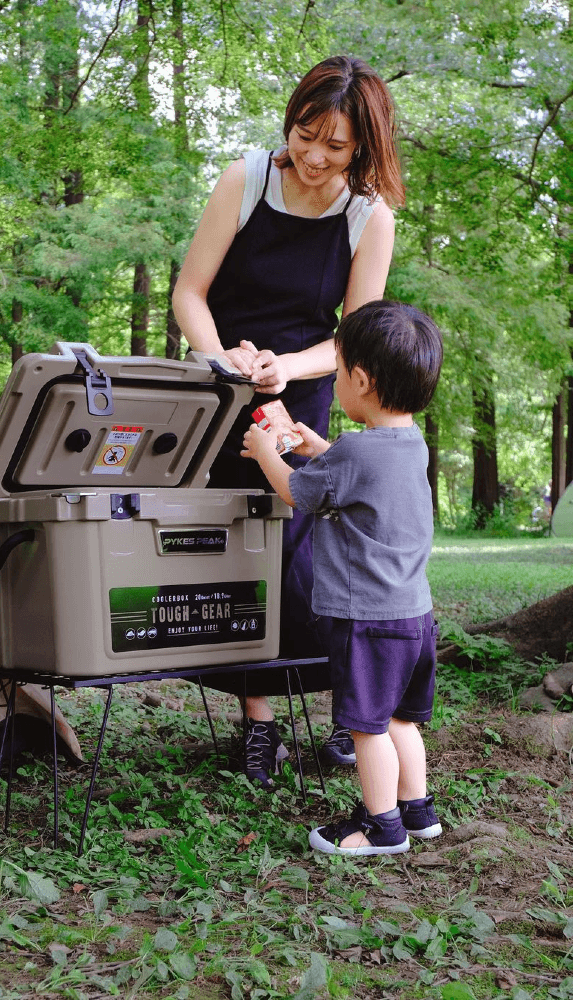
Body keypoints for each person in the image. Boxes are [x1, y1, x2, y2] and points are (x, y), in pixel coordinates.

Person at [172, 55, 405, 788]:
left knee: (309, 561)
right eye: (307, 134)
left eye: (335, 147)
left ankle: (347, 715)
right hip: (220, 392)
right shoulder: (245, 179)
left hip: (300, 401)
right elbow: (190, 292)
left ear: (364, 147)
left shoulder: (370, 218)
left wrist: (283, 370)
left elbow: (353, 338)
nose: (313, 156)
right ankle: (258, 728)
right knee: (241, 558)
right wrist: (228, 366)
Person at [241, 299, 444, 856]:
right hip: (413, 617)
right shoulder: (410, 445)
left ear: (360, 379)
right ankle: (417, 810)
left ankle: (381, 827)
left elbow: (296, 492)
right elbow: (362, 484)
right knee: (403, 719)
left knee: (367, 728)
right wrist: (320, 449)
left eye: (337, 371)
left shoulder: (355, 449)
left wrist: (266, 450)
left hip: (367, 621)